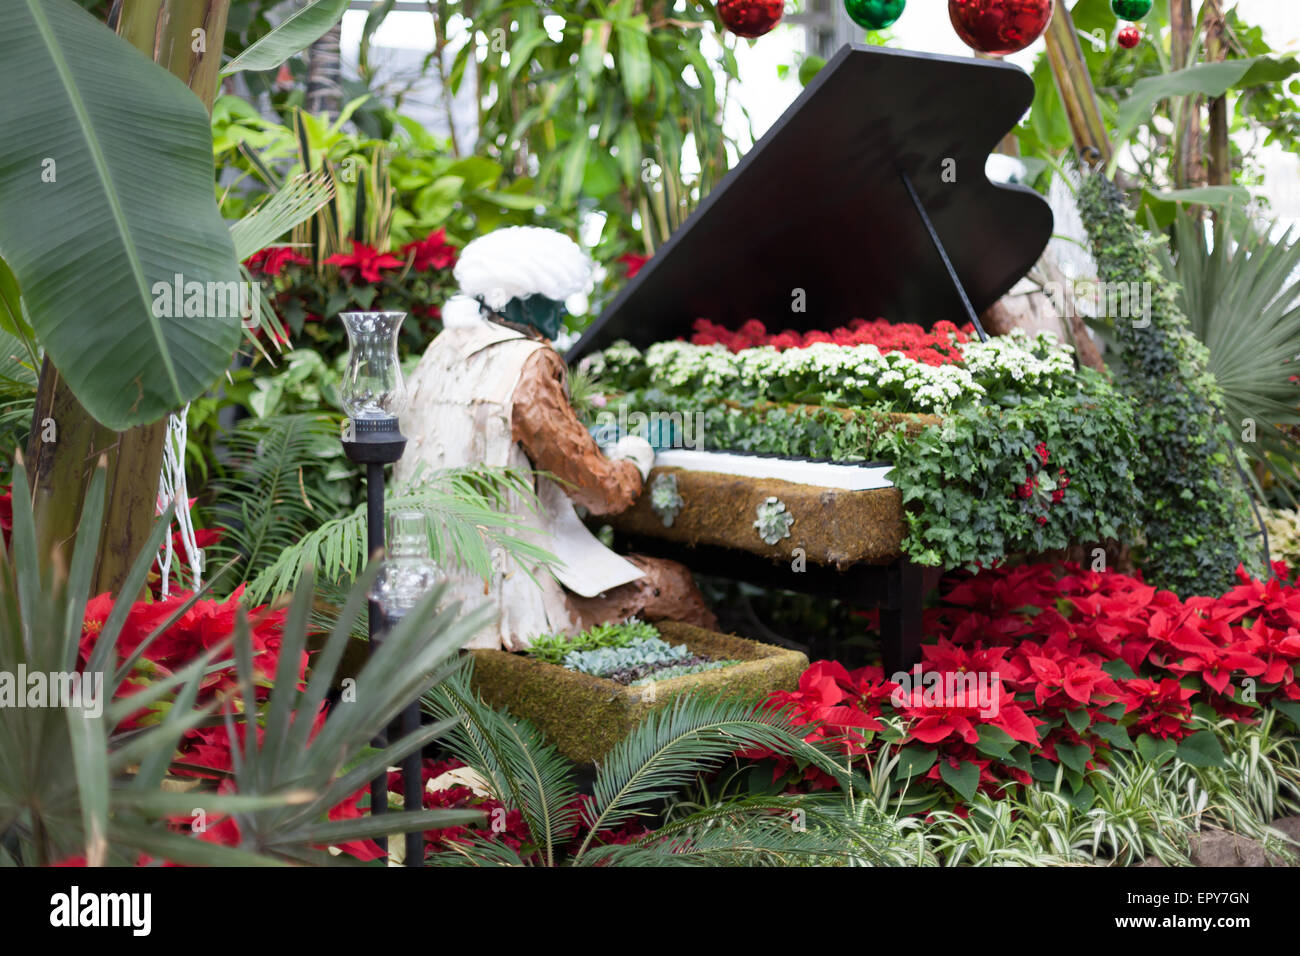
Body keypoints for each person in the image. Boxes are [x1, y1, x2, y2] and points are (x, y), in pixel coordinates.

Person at [395, 226, 717, 650]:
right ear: (526, 301)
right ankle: (725, 701)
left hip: (424, 596)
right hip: (507, 611)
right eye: (557, 301)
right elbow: (602, 492)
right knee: (672, 584)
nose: (563, 314)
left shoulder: (439, 349)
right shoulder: (528, 361)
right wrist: (637, 451)